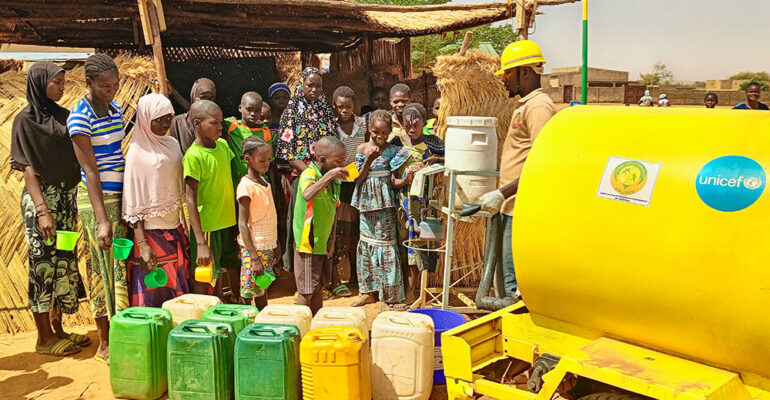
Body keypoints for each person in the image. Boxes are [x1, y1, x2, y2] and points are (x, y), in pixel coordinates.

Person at [11, 61, 88, 357]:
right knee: (43, 266)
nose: (61, 86)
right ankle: (43, 337)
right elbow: (27, 167)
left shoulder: (65, 117)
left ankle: (58, 329)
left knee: (64, 261)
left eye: (63, 81)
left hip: (66, 202)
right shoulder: (24, 121)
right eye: (56, 82)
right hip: (41, 203)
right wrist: (43, 211)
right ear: (39, 82)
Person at [477, 40, 555, 299]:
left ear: (526, 72)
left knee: (513, 286)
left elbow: (542, 163)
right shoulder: (525, 105)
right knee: (504, 279)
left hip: (519, 208)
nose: (504, 80)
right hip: (509, 206)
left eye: (508, 73)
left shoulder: (539, 107)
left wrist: (502, 193)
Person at [68, 54, 129, 364]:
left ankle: (124, 334)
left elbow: (116, 154)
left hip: (119, 197)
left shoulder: (115, 109)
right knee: (103, 270)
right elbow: (90, 171)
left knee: (120, 269)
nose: (112, 91)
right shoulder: (79, 118)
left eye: (115, 85)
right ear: (88, 83)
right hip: (97, 202)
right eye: (105, 86)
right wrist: (102, 221)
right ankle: (105, 341)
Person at [122, 93, 190, 308]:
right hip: (151, 233)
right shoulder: (136, 153)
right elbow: (134, 200)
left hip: (174, 227)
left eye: (167, 118)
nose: (164, 124)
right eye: (158, 119)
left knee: (176, 286)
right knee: (156, 285)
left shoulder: (172, 144)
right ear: (144, 118)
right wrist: (142, 243)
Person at [275, 67, 338, 273]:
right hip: (304, 178)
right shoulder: (291, 111)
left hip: (327, 177)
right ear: (301, 84)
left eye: (318, 85)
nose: (314, 89)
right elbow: (288, 151)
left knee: (326, 225)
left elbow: (334, 142)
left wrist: (325, 175)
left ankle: (325, 277)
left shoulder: (325, 109)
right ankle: (300, 277)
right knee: (303, 226)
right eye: (310, 85)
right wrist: (312, 174)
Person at [351, 110, 412, 308]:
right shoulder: (362, 148)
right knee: (366, 244)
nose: (379, 136)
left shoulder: (393, 151)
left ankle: (391, 296)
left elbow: (393, 181)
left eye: (384, 133)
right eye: (376, 131)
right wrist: (368, 159)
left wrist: (407, 179)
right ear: (369, 129)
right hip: (366, 204)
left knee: (386, 246)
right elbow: (358, 179)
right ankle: (368, 291)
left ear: (390, 131)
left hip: (385, 204)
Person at [183, 100, 241, 300]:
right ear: (197, 124)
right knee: (206, 274)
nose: (220, 127)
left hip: (228, 222)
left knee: (234, 265)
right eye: (214, 123)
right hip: (208, 226)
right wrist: (200, 241)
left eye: (220, 123)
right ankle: (205, 314)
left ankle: (238, 305)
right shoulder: (194, 156)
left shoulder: (223, 146)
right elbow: (190, 199)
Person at [390, 103, 445, 298]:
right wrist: (403, 178)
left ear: (424, 123)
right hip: (402, 201)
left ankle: (414, 291)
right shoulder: (397, 143)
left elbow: (453, 157)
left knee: (420, 243)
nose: (411, 129)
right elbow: (389, 169)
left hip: (423, 202)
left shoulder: (433, 143)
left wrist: (435, 161)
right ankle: (406, 288)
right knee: (403, 241)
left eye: (416, 125)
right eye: (407, 125)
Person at [292, 136, 348, 315]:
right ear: (322, 159)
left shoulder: (334, 181)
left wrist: (331, 241)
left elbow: (333, 212)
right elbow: (308, 194)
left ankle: (315, 323)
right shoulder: (310, 174)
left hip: (323, 243)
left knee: (318, 287)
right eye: (338, 161)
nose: (342, 164)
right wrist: (329, 176)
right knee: (306, 290)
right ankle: (299, 326)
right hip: (307, 244)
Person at [332, 86, 367, 295]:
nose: (344, 110)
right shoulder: (330, 126)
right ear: (334, 106)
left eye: (348, 106)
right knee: (340, 232)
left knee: (356, 231)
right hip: (338, 182)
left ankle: (355, 273)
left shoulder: (363, 125)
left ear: (354, 105)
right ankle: (339, 275)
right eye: (340, 107)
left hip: (358, 180)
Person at [237, 136, 279, 309]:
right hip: (253, 249)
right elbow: (242, 223)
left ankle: (263, 320)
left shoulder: (264, 182)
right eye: (262, 160)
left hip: (267, 246)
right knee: (248, 291)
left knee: (262, 287)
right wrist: (253, 257)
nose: (266, 163)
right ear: (248, 159)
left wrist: (275, 243)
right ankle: (245, 322)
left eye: (269, 160)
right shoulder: (246, 186)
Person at [224, 92, 275, 187]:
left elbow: (270, 161)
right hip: (238, 185)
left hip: (260, 184)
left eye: (257, 110)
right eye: (249, 109)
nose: (253, 114)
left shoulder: (265, 131)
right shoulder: (231, 126)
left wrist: (272, 187)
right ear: (240, 108)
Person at [170, 77, 216, 154]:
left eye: (210, 98)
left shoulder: (218, 124)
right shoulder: (177, 123)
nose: (206, 102)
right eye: (202, 97)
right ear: (193, 97)